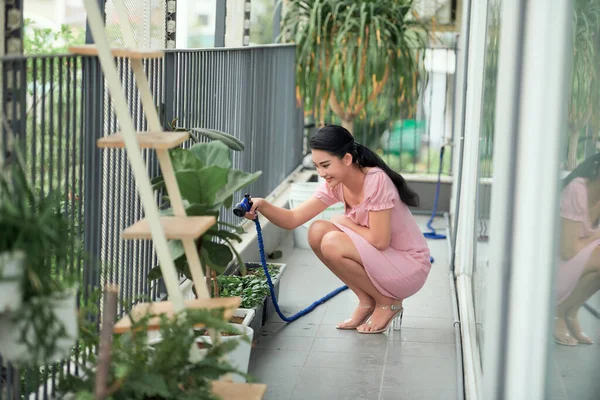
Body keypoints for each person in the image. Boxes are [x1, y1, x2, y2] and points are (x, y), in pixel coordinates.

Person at [244, 125, 431, 334]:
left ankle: (388, 303)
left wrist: (345, 222)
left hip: (408, 265)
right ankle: (367, 301)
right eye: (316, 166)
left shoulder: (376, 180)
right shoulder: (335, 183)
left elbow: (380, 241)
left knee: (332, 241)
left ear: (347, 159)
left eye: (325, 165)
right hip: (384, 258)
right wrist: (262, 205)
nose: (321, 173)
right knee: (316, 231)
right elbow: (293, 218)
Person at [555, 152, 600, 345]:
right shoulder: (577, 190)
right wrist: (595, 236)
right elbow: (567, 251)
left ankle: (570, 312)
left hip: (575, 265)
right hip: (554, 267)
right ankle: (557, 313)